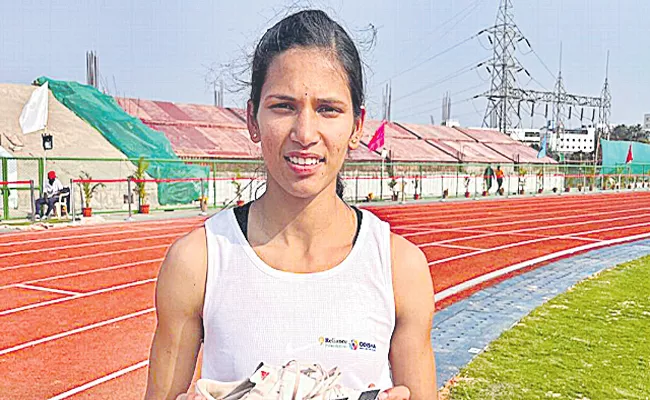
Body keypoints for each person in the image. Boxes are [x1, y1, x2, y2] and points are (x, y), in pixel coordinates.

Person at [145, 10, 436, 400]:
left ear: (357, 126)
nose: (305, 133)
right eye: (283, 106)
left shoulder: (400, 268)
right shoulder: (198, 262)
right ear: (252, 119)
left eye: (328, 109)